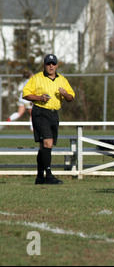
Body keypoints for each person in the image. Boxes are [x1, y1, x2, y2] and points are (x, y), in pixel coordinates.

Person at [23, 54, 75, 185]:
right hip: (40, 112)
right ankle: (49, 175)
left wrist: (65, 94)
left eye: (53, 64)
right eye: (48, 64)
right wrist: (39, 98)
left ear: (57, 65)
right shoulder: (37, 78)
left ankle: (40, 176)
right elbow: (26, 94)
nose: (51, 66)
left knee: (43, 146)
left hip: (53, 114)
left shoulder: (62, 80)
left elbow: (71, 98)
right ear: (44, 65)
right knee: (48, 143)